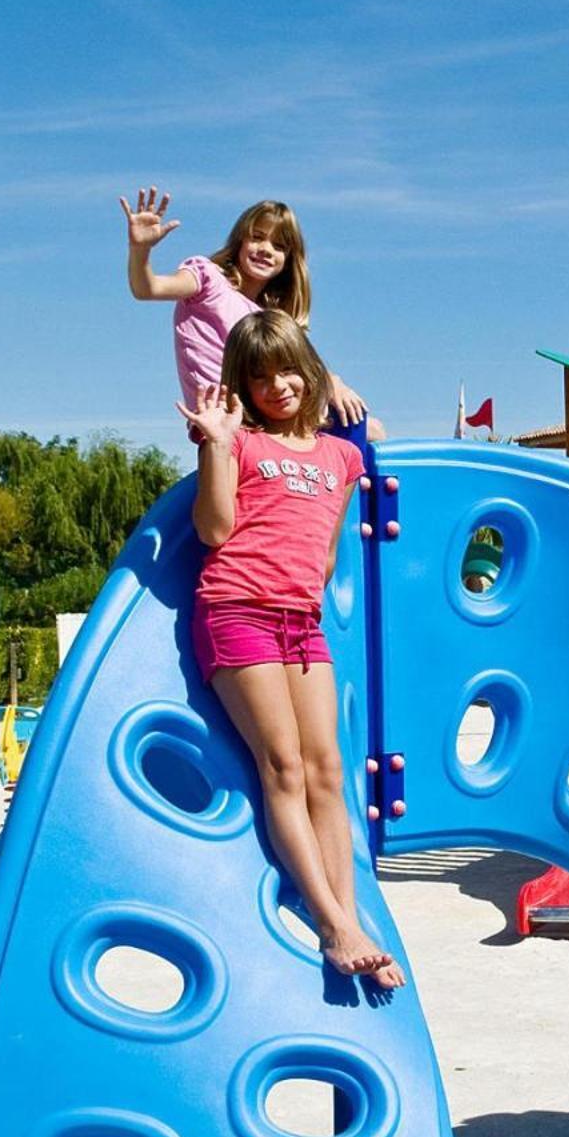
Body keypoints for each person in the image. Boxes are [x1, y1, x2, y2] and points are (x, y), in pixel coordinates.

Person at [176, 309, 402, 986]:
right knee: (285, 770)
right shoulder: (240, 443)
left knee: (330, 773)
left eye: (286, 370)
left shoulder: (343, 457)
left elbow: (329, 557)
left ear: (308, 371)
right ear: (241, 386)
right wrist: (215, 443)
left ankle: (349, 912)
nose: (276, 386)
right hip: (238, 610)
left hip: (300, 623)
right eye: (258, 376)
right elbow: (215, 530)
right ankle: (334, 927)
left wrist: (344, 395)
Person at [120, 187, 373, 431]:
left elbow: (304, 366)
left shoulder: (272, 319)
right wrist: (140, 250)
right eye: (258, 237)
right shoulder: (208, 278)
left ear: (288, 260)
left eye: (279, 246)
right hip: (224, 419)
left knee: (369, 427)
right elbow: (148, 288)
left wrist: (335, 384)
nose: (266, 250)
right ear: (240, 241)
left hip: (269, 415)